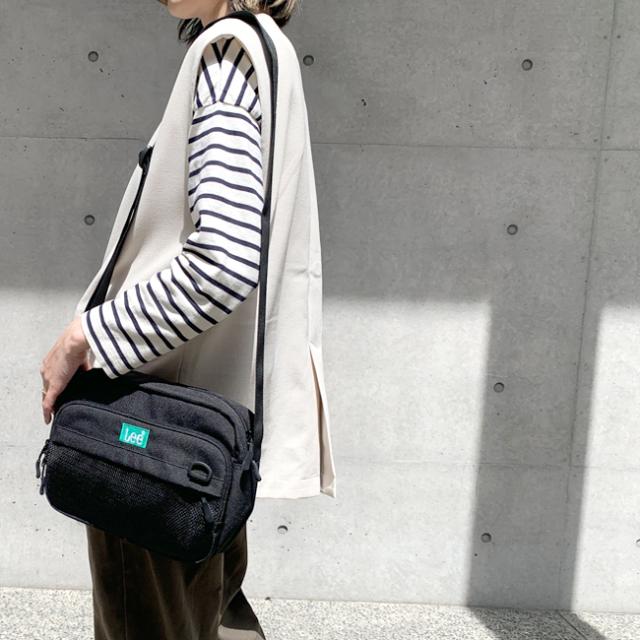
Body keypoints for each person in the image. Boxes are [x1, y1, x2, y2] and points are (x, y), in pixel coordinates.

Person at [38, 1, 336, 639]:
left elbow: (222, 263)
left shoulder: (226, 60)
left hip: (155, 448)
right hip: (203, 437)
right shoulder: (266, 53)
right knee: (210, 616)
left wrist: (86, 338)